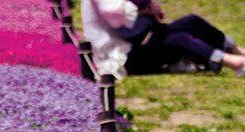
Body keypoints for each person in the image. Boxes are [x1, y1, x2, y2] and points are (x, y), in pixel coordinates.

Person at [81, 0, 245, 78]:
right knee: (180, 39)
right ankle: (234, 63)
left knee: (191, 21)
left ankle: (234, 50)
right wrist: (145, 8)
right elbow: (113, 13)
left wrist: (149, 7)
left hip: (135, 44)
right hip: (122, 58)